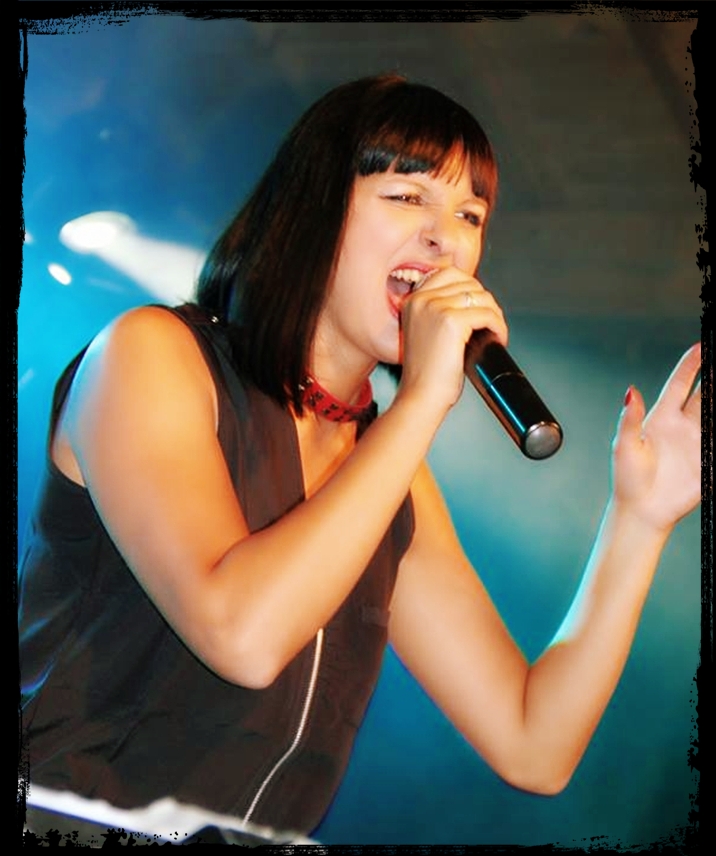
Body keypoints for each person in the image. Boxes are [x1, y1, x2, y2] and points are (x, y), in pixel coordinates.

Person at [19, 74, 701, 845]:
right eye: (407, 197)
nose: (445, 238)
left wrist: (640, 519)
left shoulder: (387, 471)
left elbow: (532, 744)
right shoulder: (153, 356)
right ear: (312, 210)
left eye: (470, 215)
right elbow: (242, 636)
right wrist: (423, 401)